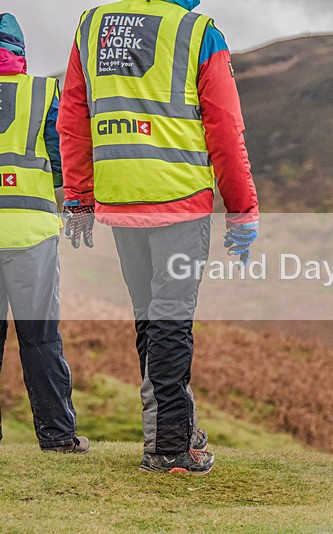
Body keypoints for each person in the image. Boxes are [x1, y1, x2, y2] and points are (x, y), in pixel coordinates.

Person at [58, 0, 259, 474]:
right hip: (179, 199)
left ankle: (174, 429)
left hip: (120, 196)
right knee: (171, 324)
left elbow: (73, 116)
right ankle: (169, 447)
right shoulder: (197, 31)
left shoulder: (91, 25)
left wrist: (80, 197)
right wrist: (242, 210)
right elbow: (225, 129)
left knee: (151, 321)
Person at [0, 13, 89, 453]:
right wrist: (77, 207)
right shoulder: (41, 93)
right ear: (20, 52)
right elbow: (65, 159)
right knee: (40, 339)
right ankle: (56, 438)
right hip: (30, 237)